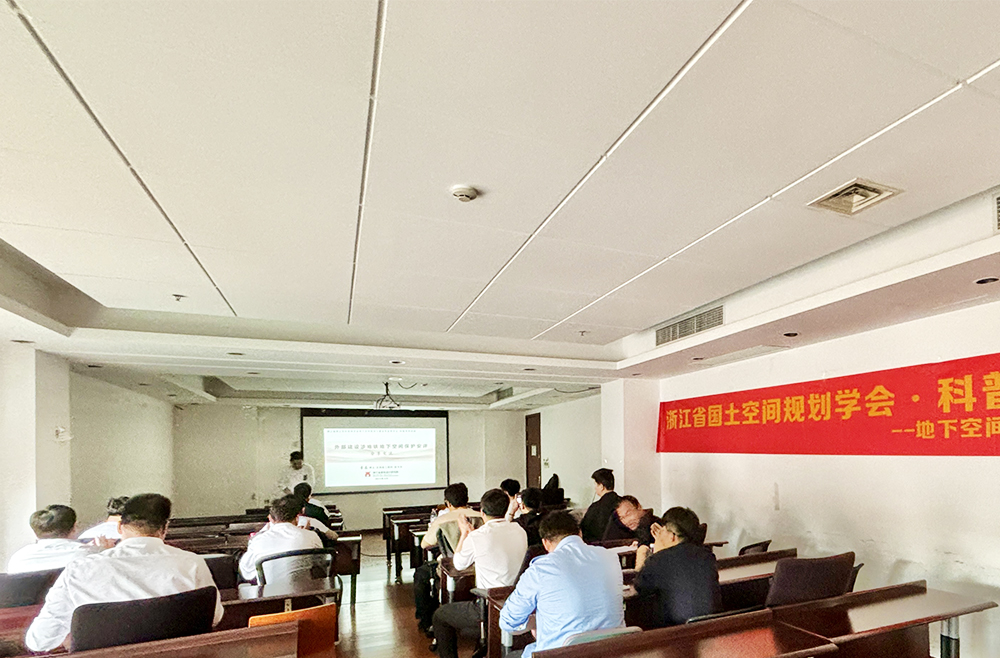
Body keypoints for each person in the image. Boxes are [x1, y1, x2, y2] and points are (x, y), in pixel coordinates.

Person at [24, 494, 223, 652]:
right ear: (165, 529)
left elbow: (39, 641)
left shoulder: (80, 569)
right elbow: (214, 617)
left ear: (119, 526)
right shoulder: (192, 563)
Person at [499, 511, 624, 657]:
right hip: (612, 651)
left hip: (561, 653)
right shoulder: (610, 557)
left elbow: (508, 622)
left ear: (545, 543)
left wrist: (534, 622)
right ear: (580, 533)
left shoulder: (541, 569)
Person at [432, 489, 527, 658]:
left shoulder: (478, 536)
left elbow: (458, 564)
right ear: (506, 509)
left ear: (482, 512)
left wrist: (464, 533)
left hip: (489, 604)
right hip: (516, 601)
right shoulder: (519, 530)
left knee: (440, 616)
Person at [633, 507, 721, 627]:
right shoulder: (706, 555)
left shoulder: (659, 559)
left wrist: (655, 552)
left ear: (672, 536)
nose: (659, 536)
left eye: (662, 531)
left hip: (677, 631)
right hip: (712, 626)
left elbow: (640, 587)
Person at [414, 483, 482, 635]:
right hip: (478, 567)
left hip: (450, 568)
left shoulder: (442, 520)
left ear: (448, 503)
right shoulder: (481, 516)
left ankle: (426, 620)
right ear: (467, 499)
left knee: (420, 574)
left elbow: (424, 544)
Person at [239, 494, 324, 583]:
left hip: (270, 590)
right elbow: (322, 562)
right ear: (297, 518)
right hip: (304, 588)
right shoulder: (311, 536)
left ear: (271, 519)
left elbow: (246, 571)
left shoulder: (258, 540)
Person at [7, 505, 102, 574]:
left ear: (35, 533)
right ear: (74, 527)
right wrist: (102, 550)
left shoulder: (19, 558)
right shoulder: (89, 556)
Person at [579, 468, 620, 543]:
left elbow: (584, 530)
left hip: (599, 545)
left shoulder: (595, 507)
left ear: (601, 486)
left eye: (595, 484)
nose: (595, 488)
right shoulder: (624, 503)